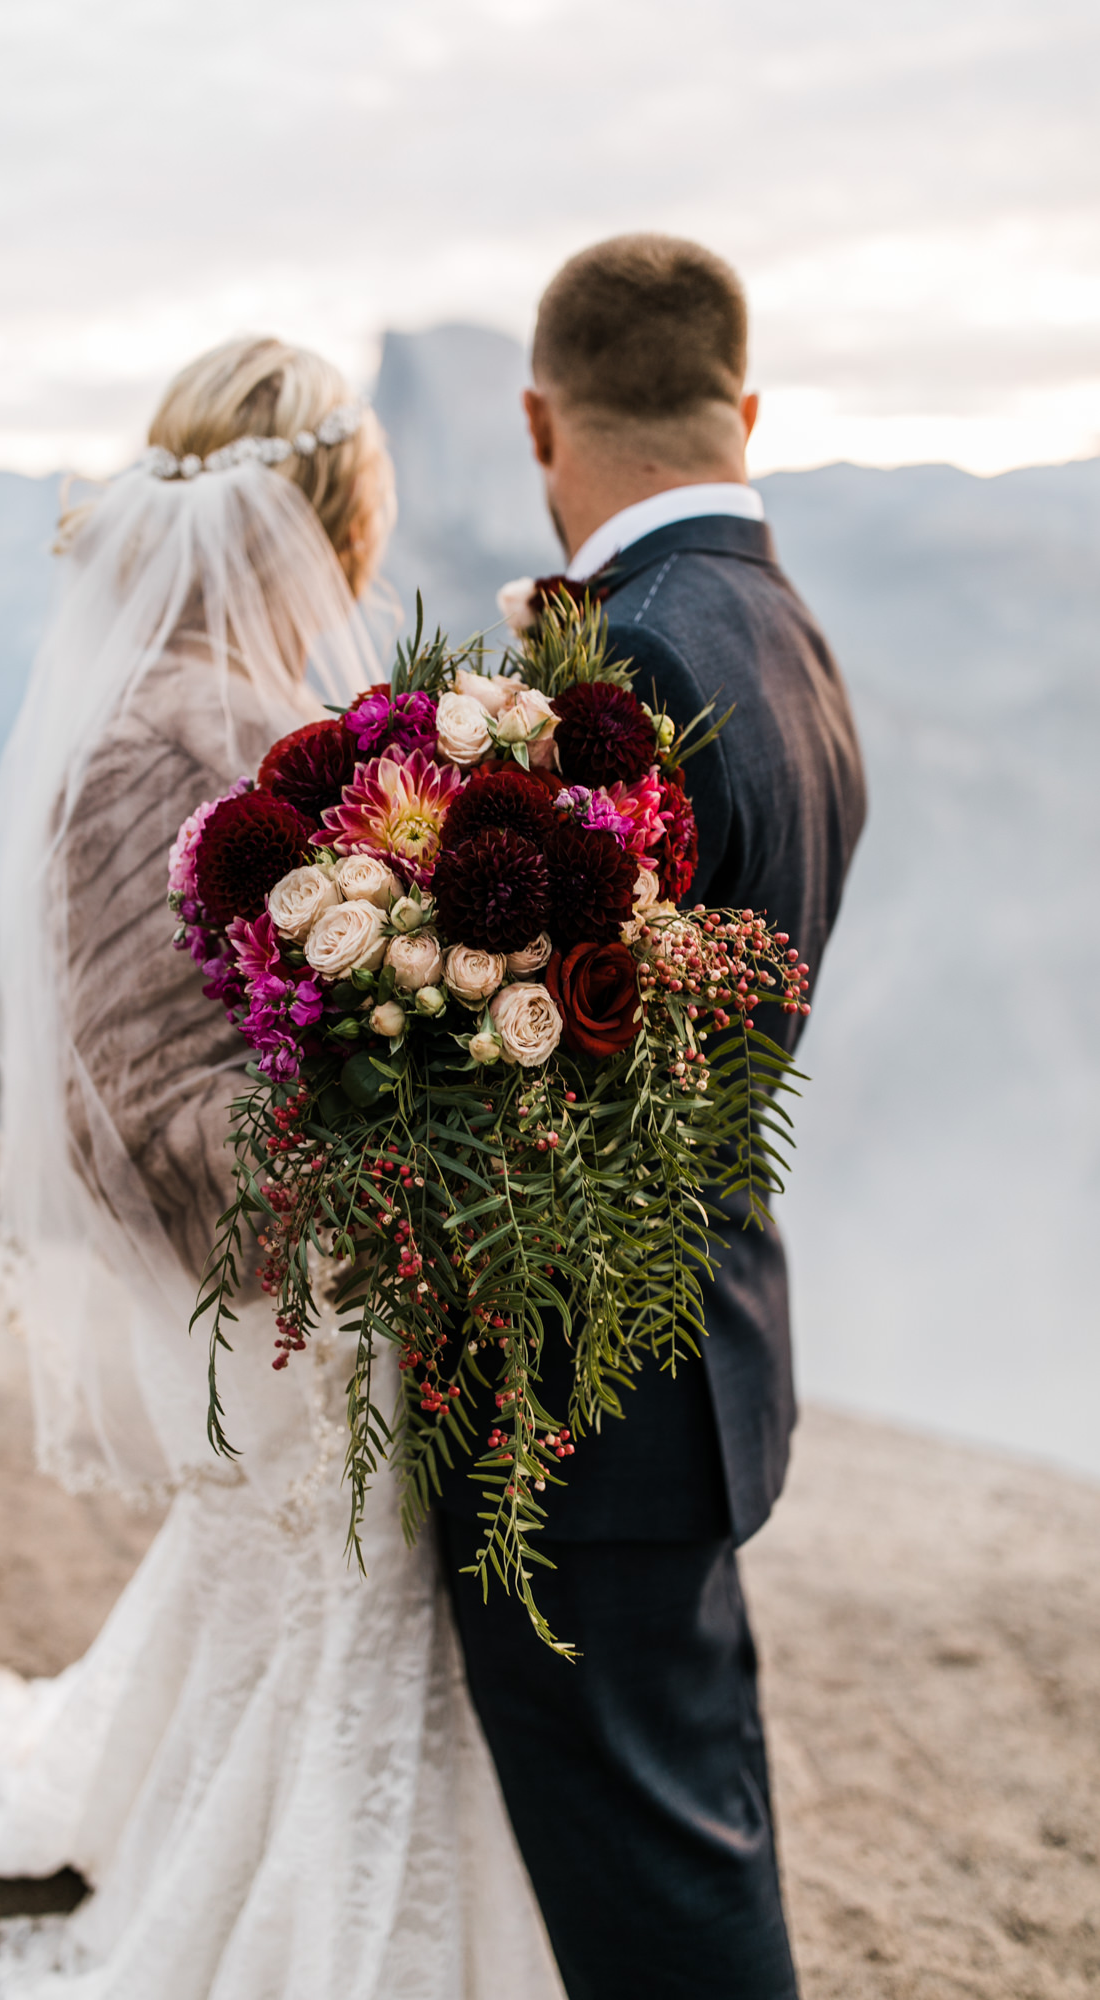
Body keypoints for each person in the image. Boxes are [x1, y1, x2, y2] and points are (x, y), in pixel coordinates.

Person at [0, 337, 566, 2000]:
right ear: (326, 520)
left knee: (303, 1614)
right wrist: (406, 1141)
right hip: (290, 1290)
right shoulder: (172, 743)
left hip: (311, 1274)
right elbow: (154, 1091)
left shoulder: (222, 708)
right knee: (342, 1615)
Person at [438, 235, 868, 1998]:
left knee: (653, 1902)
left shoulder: (624, 672)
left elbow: (522, 1065)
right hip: (699, 1356)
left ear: (541, 419)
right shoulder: (785, 635)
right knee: (691, 1824)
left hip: (592, 1391)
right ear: (743, 406)